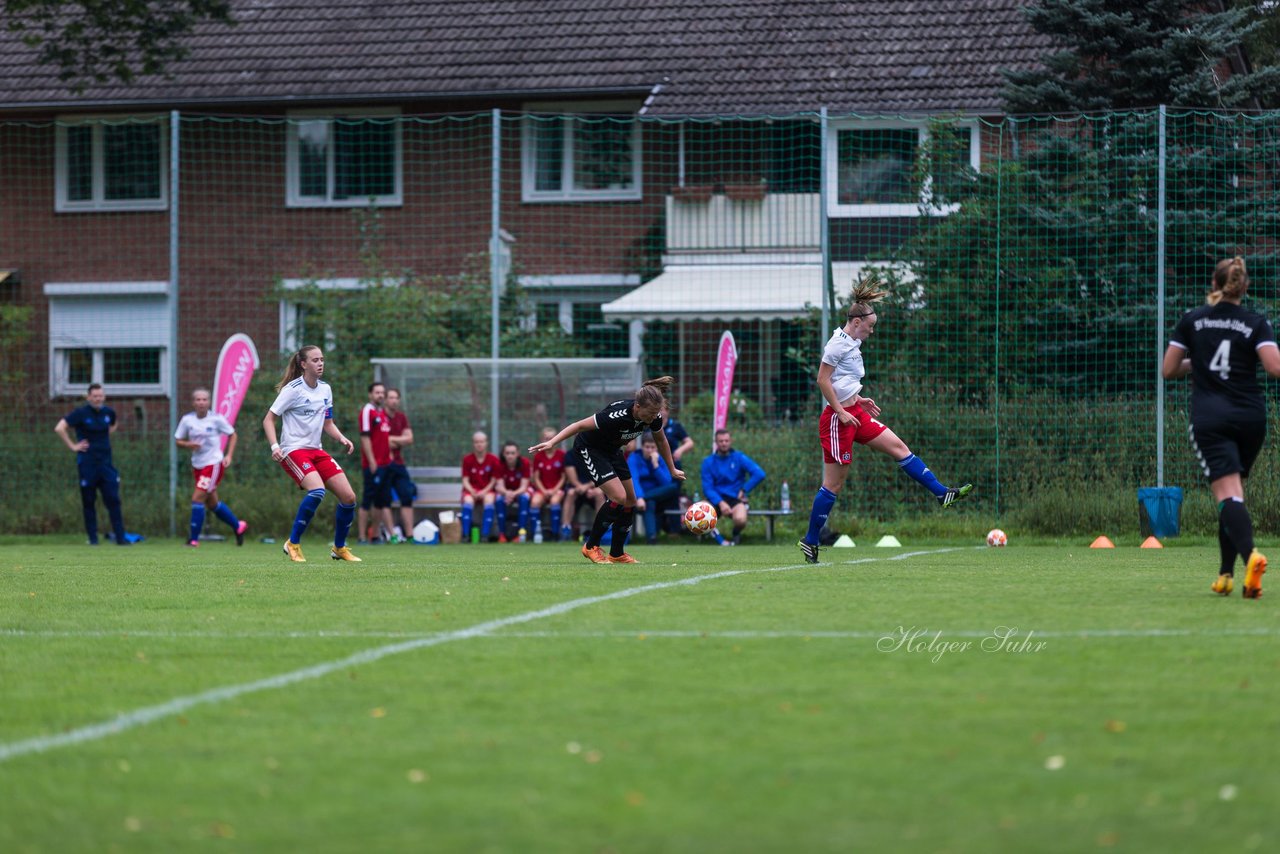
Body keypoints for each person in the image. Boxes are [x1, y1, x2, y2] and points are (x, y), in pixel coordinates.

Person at [797, 276, 973, 564]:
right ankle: (811, 540)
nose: (872, 331)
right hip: (837, 420)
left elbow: (843, 380)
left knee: (899, 448)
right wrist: (841, 410)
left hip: (855, 413)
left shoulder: (852, 342)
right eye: (870, 326)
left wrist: (857, 399)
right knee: (833, 485)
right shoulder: (836, 345)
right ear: (856, 322)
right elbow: (822, 380)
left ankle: (942, 493)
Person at [1162, 256, 1279, 598]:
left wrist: (1196, 363)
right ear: (1245, 287)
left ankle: (1251, 557)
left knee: (1227, 494)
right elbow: (1274, 367)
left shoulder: (1192, 320)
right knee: (1233, 494)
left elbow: (1169, 370)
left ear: (1214, 284)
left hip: (1211, 418)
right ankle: (1226, 575)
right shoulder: (1257, 322)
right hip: (1251, 418)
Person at [530, 377, 685, 564]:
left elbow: (661, 441)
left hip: (611, 450)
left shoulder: (653, 416)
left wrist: (671, 468)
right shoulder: (616, 415)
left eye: (656, 414)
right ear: (637, 406)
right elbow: (578, 426)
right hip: (590, 448)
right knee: (618, 497)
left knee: (630, 500)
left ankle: (617, 553)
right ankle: (590, 547)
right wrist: (552, 442)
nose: (653, 418)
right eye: (650, 413)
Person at [263, 345, 361, 563]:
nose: (320, 364)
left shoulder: (325, 389)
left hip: (316, 450)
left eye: (322, 360)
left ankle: (339, 548)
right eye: (315, 360)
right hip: (293, 450)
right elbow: (268, 419)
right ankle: (293, 543)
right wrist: (275, 447)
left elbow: (328, 423)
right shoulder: (293, 389)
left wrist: (341, 437)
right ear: (303, 364)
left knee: (349, 497)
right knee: (317, 491)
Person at [54, 383, 128, 545]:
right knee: (89, 501)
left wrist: (104, 438)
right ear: (88, 397)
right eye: (94, 396)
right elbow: (60, 428)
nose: (98, 399)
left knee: (113, 500)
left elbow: (113, 425)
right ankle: (93, 539)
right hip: (87, 464)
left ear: (104, 396)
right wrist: (73, 446)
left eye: (100, 396)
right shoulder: (80, 413)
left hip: (106, 465)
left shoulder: (109, 413)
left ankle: (121, 538)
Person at [174, 387, 249, 547]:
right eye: (198, 400)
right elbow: (178, 440)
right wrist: (189, 444)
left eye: (204, 399)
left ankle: (193, 540)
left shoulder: (216, 419)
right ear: (193, 403)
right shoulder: (188, 420)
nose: (201, 402)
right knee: (212, 504)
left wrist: (228, 455)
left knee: (197, 498)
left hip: (213, 464)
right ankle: (238, 526)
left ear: (209, 402)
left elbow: (233, 434)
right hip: (197, 465)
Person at [700, 428, 766, 546]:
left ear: (730, 441)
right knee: (700, 513)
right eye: (721, 441)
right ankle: (720, 540)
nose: (724, 443)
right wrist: (720, 502)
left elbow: (759, 474)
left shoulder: (739, 458)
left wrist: (744, 489)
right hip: (715, 498)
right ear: (716, 443)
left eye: (726, 440)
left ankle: (736, 534)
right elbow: (707, 488)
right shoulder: (708, 462)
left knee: (741, 520)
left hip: (735, 498)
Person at [356, 382, 395, 545]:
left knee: (381, 502)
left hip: (386, 464)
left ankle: (376, 535)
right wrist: (372, 461)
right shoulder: (367, 412)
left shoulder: (383, 413)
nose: (380, 395)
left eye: (382, 393)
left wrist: (389, 456)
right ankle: (362, 537)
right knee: (367, 500)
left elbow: (383, 439)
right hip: (373, 465)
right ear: (370, 394)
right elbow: (365, 438)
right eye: (377, 392)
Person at [627, 431, 683, 545]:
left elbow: (666, 482)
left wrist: (656, 465)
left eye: (653, 447)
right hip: (639, 494)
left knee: (673, 487)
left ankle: (646, 499)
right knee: (650, 503)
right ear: (642, 446)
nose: (649, 450)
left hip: (656, 495)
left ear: (657, 448)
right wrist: (639, 496)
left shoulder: (661, 459)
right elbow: (634, 480)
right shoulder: (634, 458)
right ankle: (651, 539)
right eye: (647, 447)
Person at [383, 387, 417, 542]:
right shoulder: (379, 416)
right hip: (382, 463)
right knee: (384, 500)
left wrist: (392, 440)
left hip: (398, 464)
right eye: (391, 397)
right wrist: (397, 439)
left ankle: (410, 535)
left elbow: (409, 438)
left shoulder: (401, 417)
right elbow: (382, 441)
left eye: (396, 398)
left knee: (407, 497)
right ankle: (393, 536)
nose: (394, 400)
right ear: (385, 400)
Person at [460, 431, 500, 542]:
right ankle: (465, 535)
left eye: (481, 441)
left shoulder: (493, 459)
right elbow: (465, 480)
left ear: (486, 443)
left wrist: (483, 491)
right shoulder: (467, 459)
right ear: (473, 444)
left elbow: (493, 480)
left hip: (487, 490)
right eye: (476, 442)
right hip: (471, 491)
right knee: (468, 501)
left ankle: (485, 535)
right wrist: (472, 491)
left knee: (489, 500)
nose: (479, 444)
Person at [530, 426, 566, 541]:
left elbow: (564, 477)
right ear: (542, 439)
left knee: (555, 501)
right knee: (535, 502)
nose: (548, 440)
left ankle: (555, 534)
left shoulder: (561, 455)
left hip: (557, 489)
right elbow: (536, 478)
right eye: (546, 438)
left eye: (551, 438)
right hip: (542, 489)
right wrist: (544, 491)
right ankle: (534, 534)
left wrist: (554, 490)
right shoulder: (538, 456)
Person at [561, 450, 604, 542]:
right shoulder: (570, 454)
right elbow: (572, 478)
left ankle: (600, 531)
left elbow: (600, 475)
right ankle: (566, 528)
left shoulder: (597, 453)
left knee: (599, 493)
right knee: (570, 493)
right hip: (577, 487)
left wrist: (588, 487)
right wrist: (581, 488)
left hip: (594, 486)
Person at [494, 441, 532, 542]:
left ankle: (521, 533)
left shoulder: (525, 463)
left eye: (512, 453)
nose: (510, 456)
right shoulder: (498, 464)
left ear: (517, 453)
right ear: (503, 454)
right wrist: (507, 493)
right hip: (505, 492)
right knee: (498, 500)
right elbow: (499, 485)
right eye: (507, 453)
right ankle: (502, 535)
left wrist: (512, 494)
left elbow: (524, 486)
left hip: (520, 491)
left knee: (524, 498)